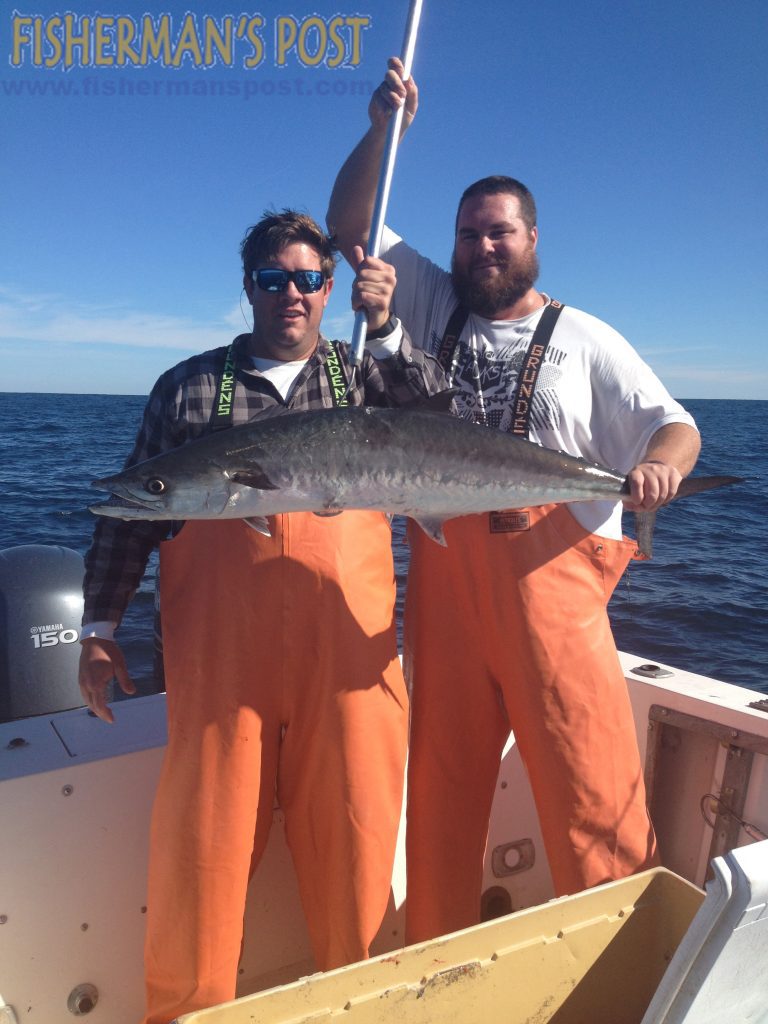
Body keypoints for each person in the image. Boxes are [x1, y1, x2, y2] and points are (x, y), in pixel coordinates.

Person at [327, 59, 702, 945]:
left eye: (498, 234)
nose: (480, 249)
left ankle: (626, 958)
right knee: (443, 792)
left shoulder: (587, 339)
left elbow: (674, 426)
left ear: (533, 237)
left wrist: (663, 467)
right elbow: (349, 222)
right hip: (449, 594)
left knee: (591, 790)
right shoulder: (427, 301)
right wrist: (385, 128)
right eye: (467, 236)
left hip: (556, 597)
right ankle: (440, 963)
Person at [78, 209, 447, 1024]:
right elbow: (127, 512)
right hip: (220, 676)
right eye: (275, 278)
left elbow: (440, 414)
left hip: (349, 670)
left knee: (356, 856)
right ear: (247, 287)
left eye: (311, 279)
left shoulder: (361, 373)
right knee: (200, 868)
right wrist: (99, 630)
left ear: (328, 289)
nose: (293, 294)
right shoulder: (187, 387)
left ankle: (364, 1011)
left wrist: (385, 326)